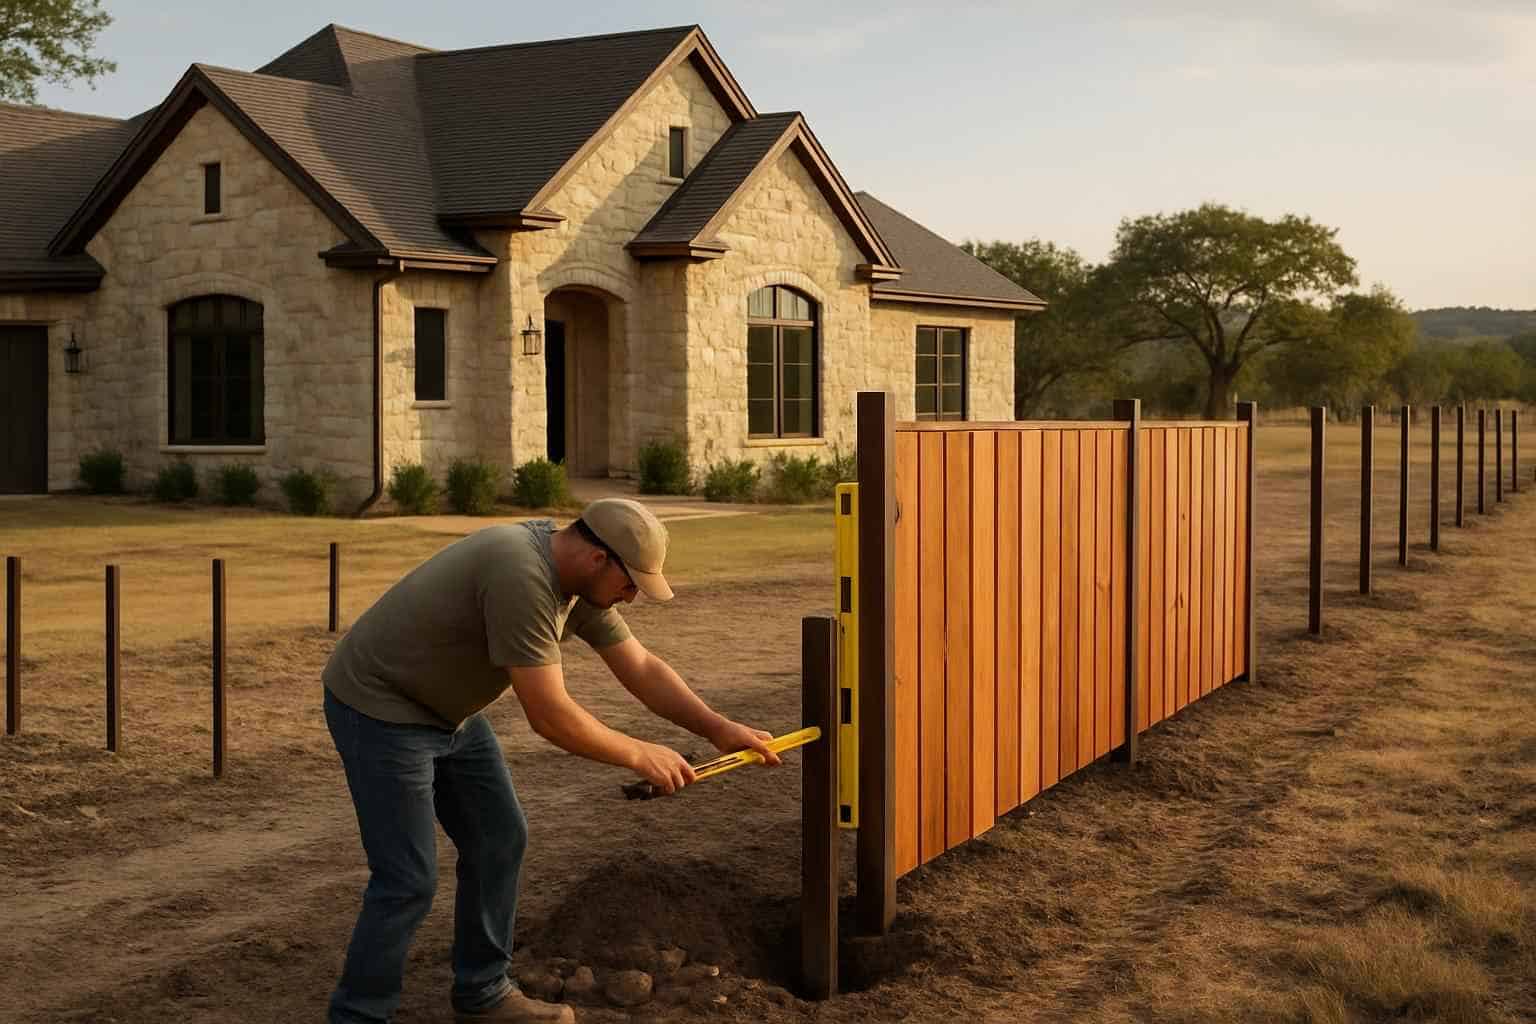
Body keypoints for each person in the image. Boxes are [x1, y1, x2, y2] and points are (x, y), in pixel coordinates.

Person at [320, 498, 781, 1024]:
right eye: (630, 583)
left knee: (499, 839)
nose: (631, 597)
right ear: (599, 559)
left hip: (450, 715)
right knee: (407, 879)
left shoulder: (577, 580)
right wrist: (640, 753)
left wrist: (718, 727)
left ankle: (483, 993)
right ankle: (358, 1015)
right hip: (381, 709)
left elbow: (642, 668)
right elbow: (550, 715)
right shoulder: (522, 573)